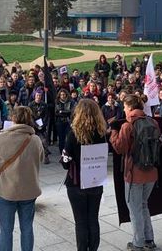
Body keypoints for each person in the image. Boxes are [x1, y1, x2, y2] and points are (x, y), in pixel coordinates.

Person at [110, 94, 159, 251]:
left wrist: (112, 134)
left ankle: (138, 243)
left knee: (135, 209)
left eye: (124, 106)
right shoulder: (152, 122)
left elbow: (120, 148)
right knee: (144, 205)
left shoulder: (127, 125)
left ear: (130, 107)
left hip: (134, 173)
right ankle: (149, 239)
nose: (123, 109)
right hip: (152, 171)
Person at [0, 106, 44, 251]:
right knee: (27, 228)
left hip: (6, 191)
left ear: (13, 118)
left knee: (5, 230)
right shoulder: (35, 140)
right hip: (29, 190)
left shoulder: (0, 137)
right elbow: (40, 158)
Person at [60, 99, 108, 251]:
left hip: (76, 183)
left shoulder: (73, 135)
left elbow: (65, 163)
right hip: (95, 181)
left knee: (81, 221)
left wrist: (65, 157)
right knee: (93, 219)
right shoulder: (101, 133)